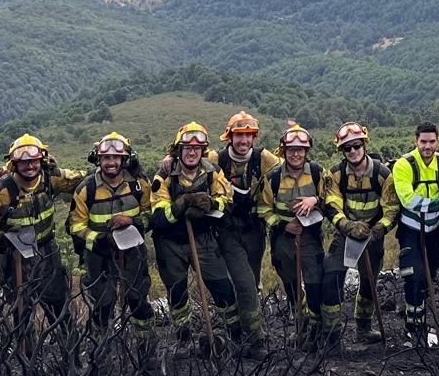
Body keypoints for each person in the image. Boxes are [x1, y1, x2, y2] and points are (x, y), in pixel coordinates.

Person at [0, 134, 81, 335]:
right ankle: (26, 358)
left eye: (34, 161)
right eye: (23, 162)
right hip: (13, 258)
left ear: (41, 160)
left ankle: (70, 353)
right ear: (14, 163)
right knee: (21, 311)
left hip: (47, 252)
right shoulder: (1, 192)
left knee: (59, 306)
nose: (29, 166)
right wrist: (1, 239)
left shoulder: (51, 178)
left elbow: (83, 182)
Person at [151, 122, 237, 349]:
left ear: (203, 151)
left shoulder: (213, 173)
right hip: (171, 243)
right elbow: (158, 218)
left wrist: (209, 203)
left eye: (197, 148)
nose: (191, 152)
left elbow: (227, 202)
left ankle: (235, 336)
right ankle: (183, 338)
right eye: (187, 148)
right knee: (177, 293)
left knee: (222, 287)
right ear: (178, 150)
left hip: (203, 239)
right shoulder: (164, 176)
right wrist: (180, 206)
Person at [69, 132, 156, 335]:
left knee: (138, 301)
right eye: (106, 158)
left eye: (115, 157)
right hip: (99, 256)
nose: (111, 162)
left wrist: (132, 221)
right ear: (98, 159)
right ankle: (100, 353)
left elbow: (151, 214)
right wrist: (99, 239)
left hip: (133, 252)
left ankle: (146, 349)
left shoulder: (139, 185)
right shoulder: (86, 189)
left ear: (124, 159)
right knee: (102, 304)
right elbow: (76, 226)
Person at [323, 122, 400, 344]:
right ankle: (331, 333)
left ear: (364, 145)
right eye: (347, 148)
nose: (353, 151)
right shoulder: (336, 175)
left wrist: (378, 230)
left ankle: (364, 328)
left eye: (356, 145)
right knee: (332, 276)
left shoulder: (382, 174)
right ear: (342, 151)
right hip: (345, 235)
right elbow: (331, 205)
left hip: (372, 235)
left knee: (369, 281)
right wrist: (347, 226)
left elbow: (392, 208)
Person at [257, 122, 329, 350]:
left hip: (310, 237)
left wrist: (315, 200)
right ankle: (300, 325)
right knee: (291, 284)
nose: (296, 154)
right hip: (283, 238)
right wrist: (281, 226)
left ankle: (317, 331)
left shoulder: (318, 173)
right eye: (291, 150)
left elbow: (331, 199)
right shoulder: (273, 178)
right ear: (284, 151)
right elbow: (263, 209)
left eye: (300, 149)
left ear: (306, 151)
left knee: (314, 280)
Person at [217, 111, 280, 358]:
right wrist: (170, 159)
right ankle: (255, 340)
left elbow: (290, 169)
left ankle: (238, 332)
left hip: (255, 230)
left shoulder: (263, 159)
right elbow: (190, 159)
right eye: (238, 136)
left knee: (252, 283)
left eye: (247, 136)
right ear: (229, 137)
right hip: (228, 231)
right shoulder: (217, 159)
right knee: (244, 283)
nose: (243, 141)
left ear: (253, 137)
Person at [392, 122, 439, 345]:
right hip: (411, 229)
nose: (428, 146)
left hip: (434, 230)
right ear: (416, 141)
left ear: (438, 141)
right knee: (414, 276)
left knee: (428, 278)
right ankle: (415, 329)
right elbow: (408, 199)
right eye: (423, 142)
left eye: (432, 141)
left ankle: (418, 324)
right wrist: (437, 204)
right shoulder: (403, 165)